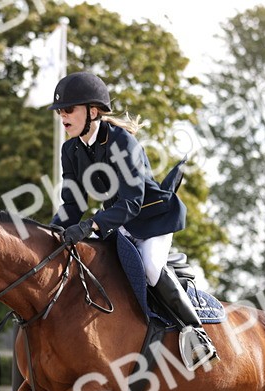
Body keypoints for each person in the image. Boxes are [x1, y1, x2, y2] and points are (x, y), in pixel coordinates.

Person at [48, 71, 217, 370]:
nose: (63, 116)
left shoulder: (121, 142)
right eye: (60, 111)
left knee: (151, 267)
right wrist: (50, 233)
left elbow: (131, 201)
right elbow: (72, 204)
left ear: (93, 111)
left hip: (152, 219)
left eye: (68, 109)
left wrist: (90, 226)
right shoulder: (70, 150)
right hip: (118, 223)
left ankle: (197, 334)